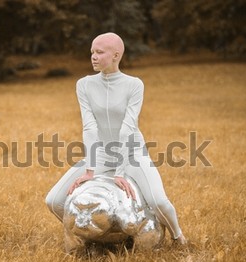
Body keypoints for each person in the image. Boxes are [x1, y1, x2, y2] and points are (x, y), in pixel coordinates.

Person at [45, 32, 187, 245]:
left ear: (116, 55)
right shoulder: (84, 85)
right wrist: (90, 170)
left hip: (132, 153)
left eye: (99, 52)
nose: (93, 56)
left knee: (158, 202)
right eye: (92, 52)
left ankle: (178, 237)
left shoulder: (134, 85)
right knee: (53, 200)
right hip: (101, 153)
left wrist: (120, 172)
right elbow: (89, 127)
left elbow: (127, 128)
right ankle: (92, 239)